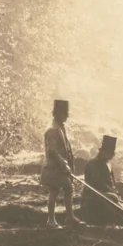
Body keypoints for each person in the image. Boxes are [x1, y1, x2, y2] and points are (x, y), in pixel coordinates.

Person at [79, 135, 123, 230]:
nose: (111, 156)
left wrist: (118, 191)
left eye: (112, 153)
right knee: (113, 198)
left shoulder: (107, 165)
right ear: (102, 152)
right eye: (110, 153)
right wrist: (114, 194)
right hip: (92, 197)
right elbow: (99, 184)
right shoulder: (92, 164)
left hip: (106, 197)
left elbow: (111, 184)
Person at [40, 98, 78, 228]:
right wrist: (64, 164)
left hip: (61, 168)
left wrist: (69, 165)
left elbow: (66, 148)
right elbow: (52, 151)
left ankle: (70, 217)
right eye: (64, 113)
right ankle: (51, 220)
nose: (67, 116)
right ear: (57, 114)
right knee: (54, 191)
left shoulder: (61, 127)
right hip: (54, 168)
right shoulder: (51, 130)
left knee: (69, 189)